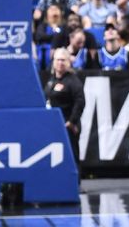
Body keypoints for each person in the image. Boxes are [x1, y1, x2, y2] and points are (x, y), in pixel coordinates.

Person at [43, 48, 85, 178]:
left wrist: (72, 121)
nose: (60, 63)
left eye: (63, 60)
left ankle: (76, 183)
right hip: (53, 126)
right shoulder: (51, 81)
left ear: (68, 62)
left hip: (68, 125)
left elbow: (80, 102)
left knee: (71, 154)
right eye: (57, 60)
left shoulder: (73, 81)